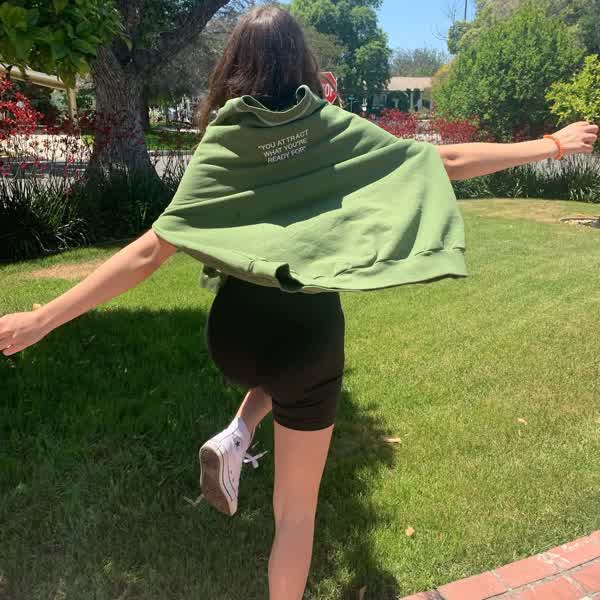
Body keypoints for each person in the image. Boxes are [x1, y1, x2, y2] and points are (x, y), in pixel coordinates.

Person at [0, 6, 597, 600]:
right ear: (303, 63)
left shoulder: (226, 138)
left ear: (233, 64)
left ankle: (238, 432)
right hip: (308, 341)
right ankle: (243, 438)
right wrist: (551, 144)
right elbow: (444, 161)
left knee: (274, 376)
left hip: (235, 338)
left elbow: (150, 251)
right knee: (295, 511)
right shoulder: (330, 127)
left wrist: (40, 319)